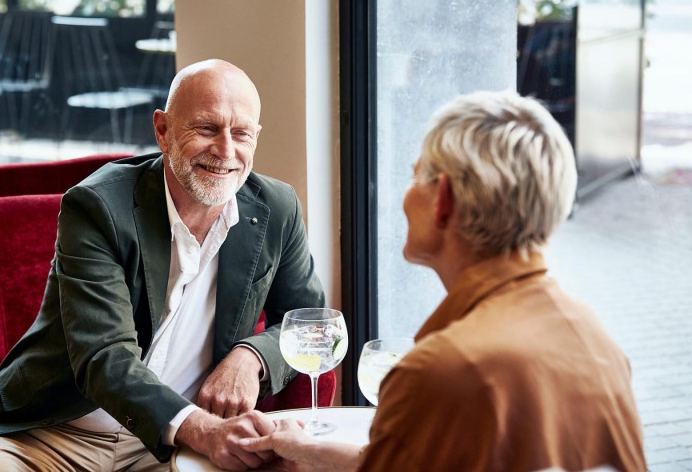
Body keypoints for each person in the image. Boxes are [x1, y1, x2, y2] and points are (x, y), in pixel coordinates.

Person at [241, 90, 646, 471]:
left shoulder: (441, 373)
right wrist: (306, 449)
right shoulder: (596, 341)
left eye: (416, 178)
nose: (406, 195)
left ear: (444, 200)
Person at [0, 59, 326, 471]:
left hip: (176, 446)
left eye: (241, 133)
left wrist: (251, 356)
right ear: (163, 130)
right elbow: (105, 357)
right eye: (206, 128)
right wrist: (203, 429)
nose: (225, 150)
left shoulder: (277, 207)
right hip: (51, 434)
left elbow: (310, 323)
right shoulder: (99, 207)